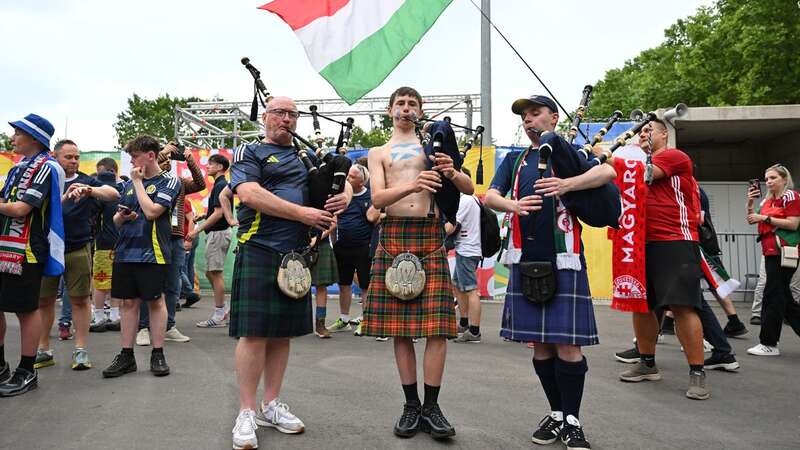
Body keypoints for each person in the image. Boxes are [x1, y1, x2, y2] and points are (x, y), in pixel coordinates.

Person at [484, 95, 615, 449]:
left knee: (568, 348)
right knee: (540, 347)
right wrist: (512, 204)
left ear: (553, 118)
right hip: (525, 259)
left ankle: (573, 420)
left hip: (565, 257)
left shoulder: (570, 155)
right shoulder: (515, 159)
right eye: (525, 117)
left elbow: (607, 171)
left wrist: (567, 184)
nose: (529, 121)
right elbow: (489, 197)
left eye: (536, 114)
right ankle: (557, 413)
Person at [228, 96, 351, 450]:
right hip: (259, 248)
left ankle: (271, 404)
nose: (286, 119)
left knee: (282, 335)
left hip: (296, 255)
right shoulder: (249, 152)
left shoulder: (305, 157)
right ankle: (247, 411)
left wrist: (344, 196)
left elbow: (345, 182)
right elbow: (249, 194)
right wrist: (303, 215)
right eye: (279, 113)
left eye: (292, 114)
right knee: (253, 334)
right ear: (264, 117)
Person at [364, 86, 473, 440]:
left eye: (412, 103)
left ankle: (432, 407)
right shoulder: (379, 152)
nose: (406, 108)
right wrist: (412, 185)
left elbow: (469, 188)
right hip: (394, 233)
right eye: (400, 104)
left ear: (420, 110)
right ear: (390, 110)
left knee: (438, 328)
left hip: (429, 234)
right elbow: (378, 198)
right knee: (400, 330)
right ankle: (411, 405)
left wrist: (451, 172)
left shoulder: (435, 147)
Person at [609, 119, 710, 401]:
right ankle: (647, 362)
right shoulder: (634, 162)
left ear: (665, 133)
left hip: (675, 239)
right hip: (639, 240)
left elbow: (646, 173)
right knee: (640, 304)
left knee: (682, 306)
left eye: (649, 128)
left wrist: (610, 158)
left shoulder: (673, 156)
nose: (643, 132)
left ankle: (697, 371)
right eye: (641, 130)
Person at [101, 136, 180, 378]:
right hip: (125, 252)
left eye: (135, 156)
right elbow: (116, 219)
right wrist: (122, 217)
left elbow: (153, 211)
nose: (132, 161)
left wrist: (137, 182)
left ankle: (158, 354)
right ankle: (127, 355)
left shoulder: (170, 181)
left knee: (156, 302)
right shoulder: (126, 185)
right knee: (127, 303)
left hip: (153, 252)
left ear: (151, 155)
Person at [36, 140, 119, 370]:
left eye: (76, 157)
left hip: (78, 248)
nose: (73, 161)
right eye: (68, 157)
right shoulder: (45, 180)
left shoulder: (86, 180)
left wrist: (90, 190)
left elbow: (112, 193)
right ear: (54, 156)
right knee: (44, 300)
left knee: (81, 299)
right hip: (47, 250)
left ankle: (81, 350)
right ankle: (43, 350)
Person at [0, 114, 64, 397]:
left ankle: (27, 370)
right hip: (5, 246)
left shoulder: (46, 167)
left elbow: (21, 209)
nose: (13, 137)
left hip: (27, 249)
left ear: (34, 138)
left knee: (27, 309)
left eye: (17, 133)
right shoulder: (18, 168)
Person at [135, 144, 203, 345]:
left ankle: (169, 326)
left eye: (167, 160)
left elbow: (200, 184)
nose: (164, 163)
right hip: (151, 237)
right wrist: (165, 150)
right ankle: (144, 328)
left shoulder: (177, 182)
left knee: (173, 285)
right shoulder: (144, 180)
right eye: (160, 159)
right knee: (149, 284)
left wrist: (189, 159)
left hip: (175, 238)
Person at [745, 164, 800, 356]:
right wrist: (750, 204)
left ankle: (768, 342)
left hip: (784, 251)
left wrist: (764, 218)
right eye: (767, 178)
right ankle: (768, 343)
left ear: (784, 179)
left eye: (773, 178)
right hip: (770, 251)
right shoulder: (766, 201)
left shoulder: (791, 197)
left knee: (773, 295)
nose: (768, 182)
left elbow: (793, 224)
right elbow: (752, 219)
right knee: (783, 297)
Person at [324, 164, 379, 338]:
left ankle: (366, 321)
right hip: (342, 247)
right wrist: (335, 243)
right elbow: (334, 220)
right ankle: (344, 319)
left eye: (352, 177)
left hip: (363, 247)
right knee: (344, 284)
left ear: (362, 180)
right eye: (347, 176)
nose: (347, 179)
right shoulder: (341, 196)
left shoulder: (371, 196)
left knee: (365, 285)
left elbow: (375, 220)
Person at [188, 153, 233, 328]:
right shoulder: (220, 185)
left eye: (211, 164)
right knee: (211, 272)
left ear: (220, 167)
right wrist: (203, 216)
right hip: (218, 233)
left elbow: (219, 213)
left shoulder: (221, 185)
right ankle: (223, 309)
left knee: (216, 273)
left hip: (218, 233)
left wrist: (197, 230)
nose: (207, 167)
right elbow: (217, 211)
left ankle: (220, 313)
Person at [449, 167, 483, 344]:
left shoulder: (466, 200)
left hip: (467, 249)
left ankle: (474, 331)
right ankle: (463, 323)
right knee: (458, 285)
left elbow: (452, 226)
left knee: (470, 289)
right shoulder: (473, 200)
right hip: (469, 248)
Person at [90, 158, 124, 333]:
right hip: (122, 243)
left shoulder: (99, 194)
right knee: (116, 281)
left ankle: (99, 316)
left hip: (103, 243)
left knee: (100, 281)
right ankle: (115, 315)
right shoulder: (124, 189)